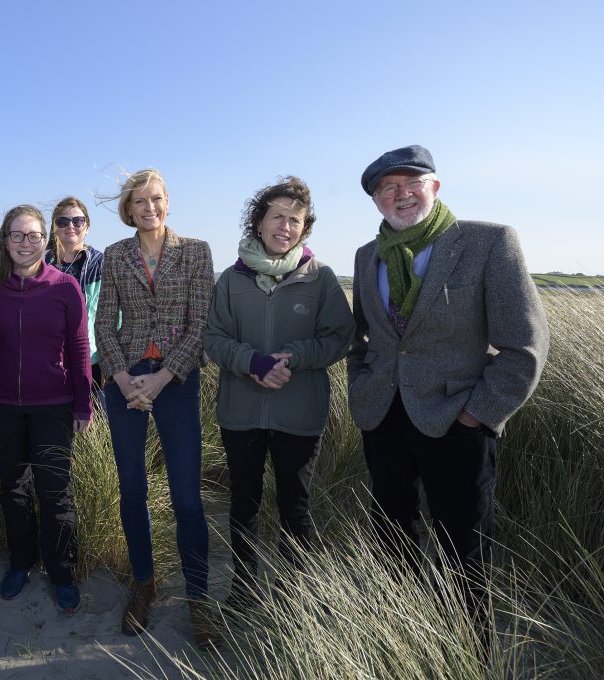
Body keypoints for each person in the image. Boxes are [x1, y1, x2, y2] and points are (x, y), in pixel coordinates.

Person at [347, 145, 549, 615]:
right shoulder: (365, 255)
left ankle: (469, 651)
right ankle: (403, 634)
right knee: (392, 537)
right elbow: (365, 340)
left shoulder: (488, 242)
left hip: (459, 422)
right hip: (382, 417)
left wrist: (478, 413)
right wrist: (361, 387)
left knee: (465, 549)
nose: (401, 195)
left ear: (434, 187)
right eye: (387, 188)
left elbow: (525, 346)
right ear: (375, 200)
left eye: (411, 183)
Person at [204, 177, 354, 609]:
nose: (285, 226)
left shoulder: (320, 278)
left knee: (296, 506)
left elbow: (338, 337)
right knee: (244, 504)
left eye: (295, 219)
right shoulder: (231, 279)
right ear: (259, 221)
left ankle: (294, 595)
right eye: (277, 216)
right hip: (241, 411)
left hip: (298, 412)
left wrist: (295, 357)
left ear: (304, 229)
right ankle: (245, 590)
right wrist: (253, 364)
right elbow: (214, 338)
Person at [95, 168, 216, 647]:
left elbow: (200, 323)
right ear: (128, 209)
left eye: (157, 199)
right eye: (140, 201)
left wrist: (162, 378)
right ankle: (144, 584)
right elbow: (105, 325)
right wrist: (126, 381)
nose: (150, 207)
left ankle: (198, 598)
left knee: (187, 497)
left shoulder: (197, 252)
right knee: (132, 491)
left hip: (177, 379)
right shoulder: (115, 255)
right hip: (125, 380)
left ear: (168, 202)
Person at [0, 204, 93, 614]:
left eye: (33, 235)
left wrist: (83, 403)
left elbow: (78, 348)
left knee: (55, 493)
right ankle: (21, 562)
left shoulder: (65, 287)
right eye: (17, 235)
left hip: (52, 405)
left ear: (46, 239)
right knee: (12, 489)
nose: (25, 243)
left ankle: (62, 571)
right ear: (4, 240)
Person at [45, 196, 106, 391]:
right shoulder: (40, 263)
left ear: (87, 226)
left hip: (91, 359)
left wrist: (109, 360)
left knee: (91, 417)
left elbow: (116, 315)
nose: (70, 226)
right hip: (48, 359)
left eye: (78, 221)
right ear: (55, 227)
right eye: (63, 221)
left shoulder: (101, 263)